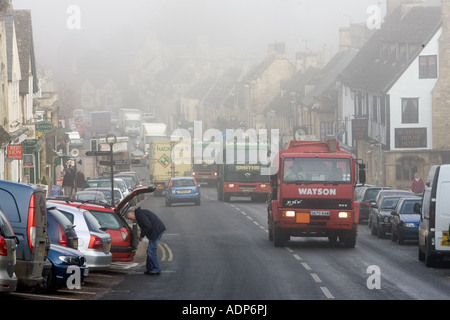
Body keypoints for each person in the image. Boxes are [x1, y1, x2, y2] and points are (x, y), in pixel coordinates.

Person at [126, 206, 166, 275]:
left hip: (156, 232)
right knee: (150, 251)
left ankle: (156, 269)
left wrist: (141, 235)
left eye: (130, 218)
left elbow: (148, 226)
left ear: (132, 214)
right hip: (157, 230)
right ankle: (150, 269)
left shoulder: (140, 215)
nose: (131, 220)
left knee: (151, 251)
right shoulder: (140, 214)